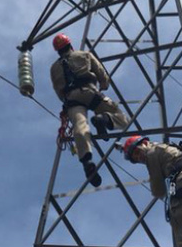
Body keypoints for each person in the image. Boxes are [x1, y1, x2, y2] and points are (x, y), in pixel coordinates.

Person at [49, 33, 128, 187]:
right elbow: (103, 77)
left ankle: (87, 161)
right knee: (123, 119)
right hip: (90, 92)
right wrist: (103, 85)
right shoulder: (84, 55)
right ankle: (105, 120)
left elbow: (58, 91)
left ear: (57, 51)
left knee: (80, 126)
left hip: (72, 99)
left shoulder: (54, 68)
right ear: (70, 45)